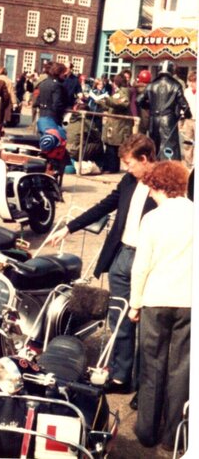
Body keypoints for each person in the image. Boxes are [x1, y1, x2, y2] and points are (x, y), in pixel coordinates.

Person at [51, 134, 157, 394]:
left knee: (146, 324)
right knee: (119, 317)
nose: (127, 168)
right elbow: (104, 206)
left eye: (130, 163)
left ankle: (146, 386)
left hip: (150, 259)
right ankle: (121, 377)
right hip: (122, 255)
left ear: (145, 159)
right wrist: (69, 228)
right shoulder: (129, 179)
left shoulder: (164, 183)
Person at [128, 160, 192, 451]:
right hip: (190, 301)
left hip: (156, 298)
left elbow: (141, 266)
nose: (150, 193)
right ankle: (174, 436)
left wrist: (135, 303)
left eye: (151, 187)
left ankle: (146, 431)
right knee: (182, 370)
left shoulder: (153, 219)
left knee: (152, 367)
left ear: (159, 186)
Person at [137, 60, 192, 160]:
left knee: (154, 145)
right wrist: (187, 115)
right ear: (171, 70)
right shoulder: (175, 85)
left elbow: (139, 100)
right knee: (169, 146)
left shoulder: (151, 85)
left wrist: (150, 107)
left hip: (154, 120)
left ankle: (154, 167)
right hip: (168, 119)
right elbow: (184, 105)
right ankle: (168, 169)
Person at [99, 73, 132, 173]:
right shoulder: (117, 92)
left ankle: (111, 168)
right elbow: (111, 106)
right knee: (110, 144)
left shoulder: (123, 92)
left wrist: (108, 99)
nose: (112, 84)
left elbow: (123, 103)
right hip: (113, 123)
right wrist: (100, 101)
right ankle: (110, 167)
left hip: (118, 124)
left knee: (113, 146)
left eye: (114, 82)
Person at [35, 62, 68, 137]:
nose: (64, 75)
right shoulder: (57, 85)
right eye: (63, 73)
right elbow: (57, 104)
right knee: (54, 141)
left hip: (42, 115)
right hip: (53, 118)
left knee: (44, 140)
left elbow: (38, 101)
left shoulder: (43, 83)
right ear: (58, 73)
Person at [180, 70, 196, 168]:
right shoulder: (186, 91)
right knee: (187, 143)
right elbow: (183, 106)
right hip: (188, 120)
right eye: (189, 81)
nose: (191, 84)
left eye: (193, 81)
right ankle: (188, 163)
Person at [133, 70, 152, 135]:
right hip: (146, 112)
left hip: (137, 112)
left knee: (139, 133)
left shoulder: (135, 88)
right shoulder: (149, 89)